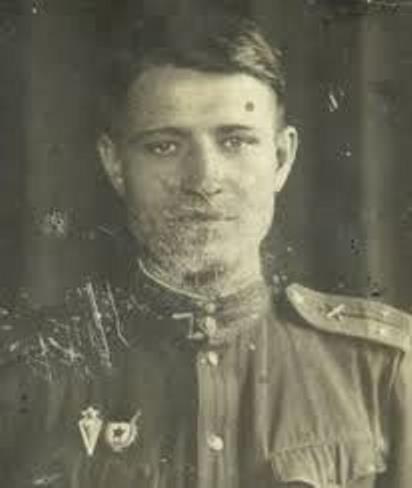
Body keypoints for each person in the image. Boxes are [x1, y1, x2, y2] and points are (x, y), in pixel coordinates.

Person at [1, 9, 412, 488]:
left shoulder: (382, 371)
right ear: (115, 164)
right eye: (164, 146)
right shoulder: (27, 374)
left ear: (281, 159)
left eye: (235, 141)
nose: (203, 180)